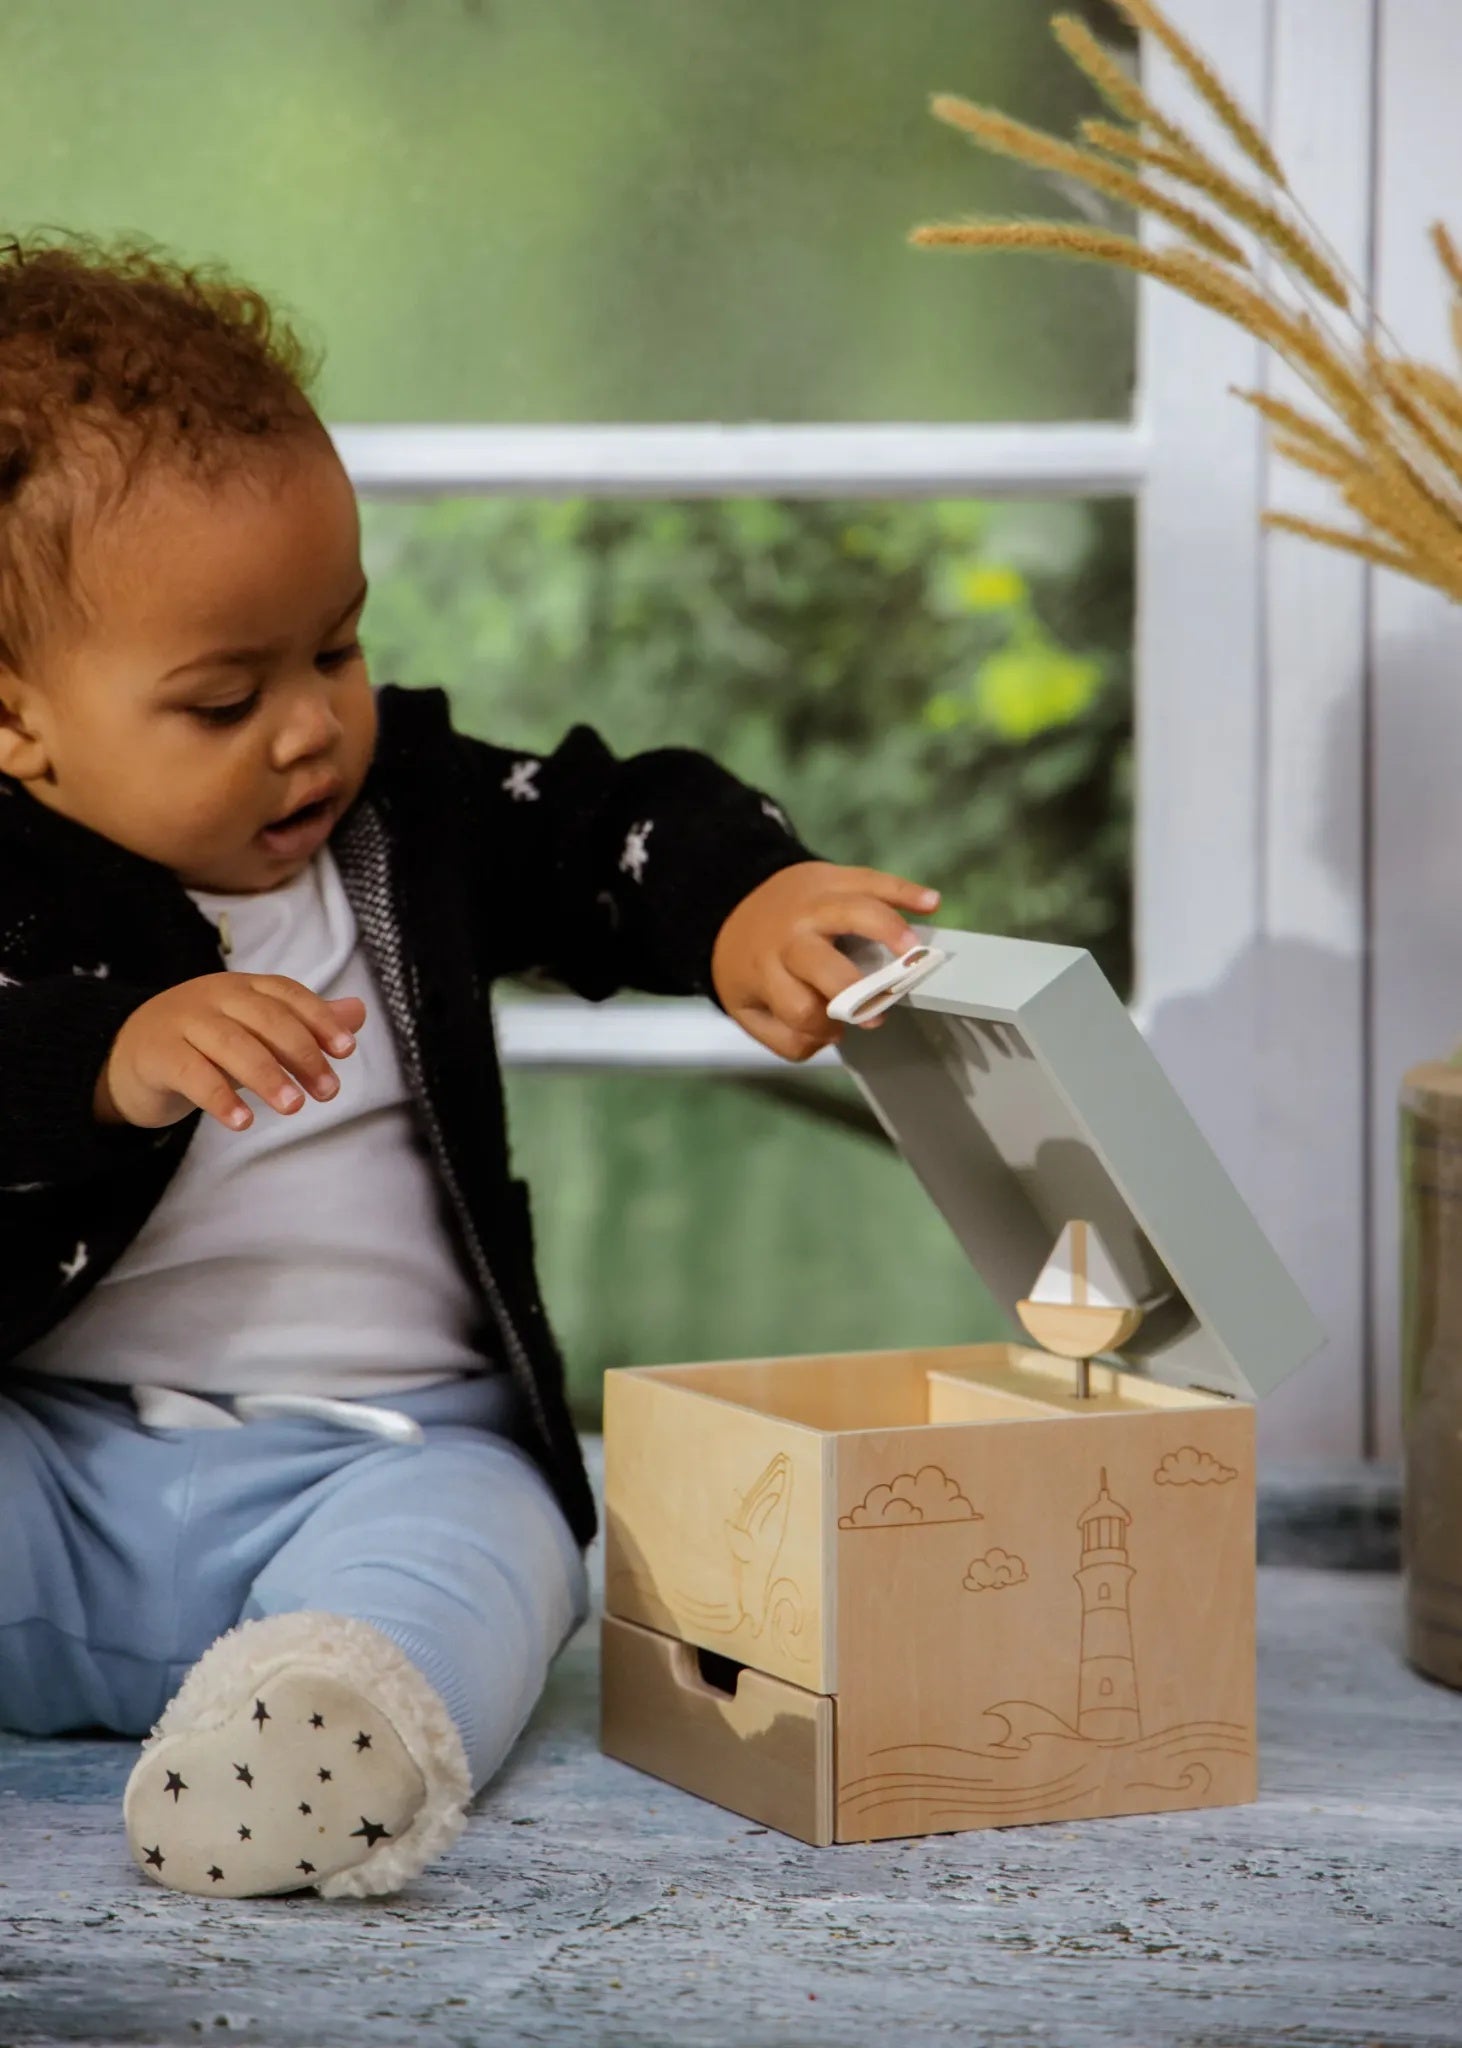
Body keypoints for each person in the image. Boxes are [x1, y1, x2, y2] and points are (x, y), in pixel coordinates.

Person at [0, 231, 941, 1899]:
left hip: (382, 1452)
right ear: (17, 724)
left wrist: (743, 907)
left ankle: (320, 1729)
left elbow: (608, 828)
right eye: (225, 700)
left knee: (503, 1544)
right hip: (49, 1454)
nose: (309, 727)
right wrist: (107, 1055)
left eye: (335, 652)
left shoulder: (406, 823)